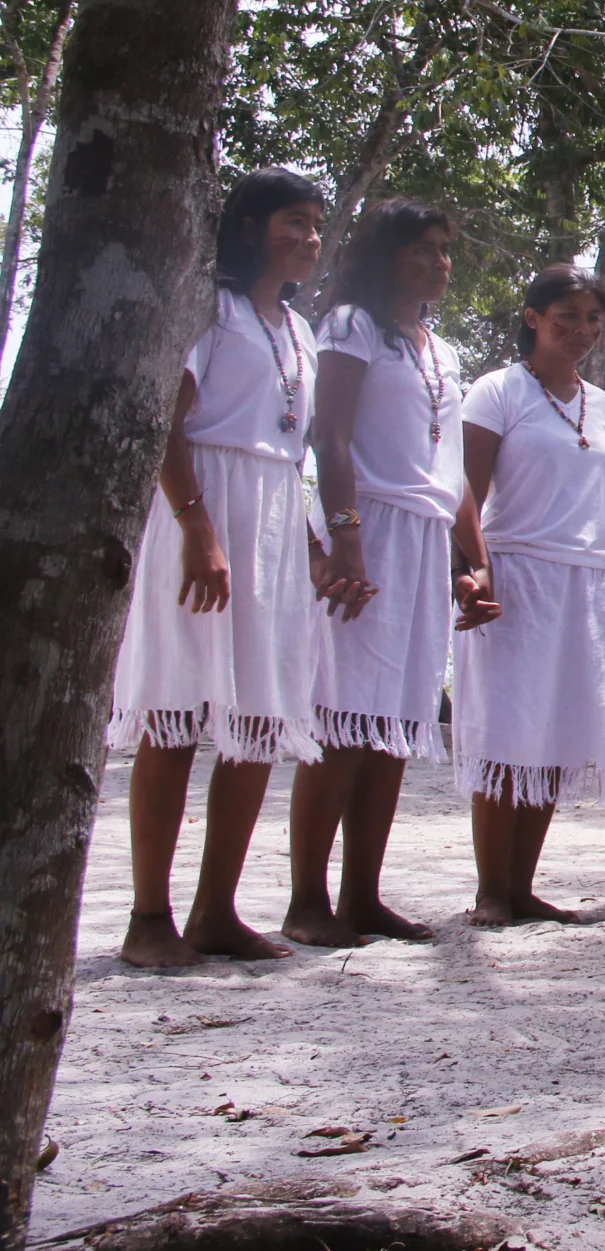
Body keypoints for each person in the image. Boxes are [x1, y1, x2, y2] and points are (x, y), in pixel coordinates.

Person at [109, 169, 340, 966]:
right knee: (177, 714)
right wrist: (195, 525)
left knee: (258, 720)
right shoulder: (207, 308)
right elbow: (164, 421)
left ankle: (217, 910)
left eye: (316, 225)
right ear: (248, 226)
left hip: (272, 520)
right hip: (203, 507)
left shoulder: (300, 332)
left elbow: (293, 448)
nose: (309, 237)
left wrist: (310, 544)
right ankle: (148, 918)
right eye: (293, 222)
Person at [288, 198, 493, 948]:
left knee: (395, 723)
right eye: (422, 250)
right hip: (365, 525)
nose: (438, 262)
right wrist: (343, 537)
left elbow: (455, 473)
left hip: (421, 536)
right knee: (345, 715)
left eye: (444, 250)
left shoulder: (441, 349)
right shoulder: (350, 325)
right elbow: (331, 436)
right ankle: (306, 899)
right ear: (386, 255)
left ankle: (362, 895)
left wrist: (474, 561)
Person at [452, 266, 605, 926]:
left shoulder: (603, 405)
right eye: (565, 317)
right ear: (531, 318)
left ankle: (523, 884)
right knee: (506, 730)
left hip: (582, 580)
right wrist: (470, 570)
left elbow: (603, 500)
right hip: (514, 569)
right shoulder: (497, 391)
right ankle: (492, 888)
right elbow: (465, 488)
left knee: (554, 730)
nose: (579, 331)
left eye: (591, 320)